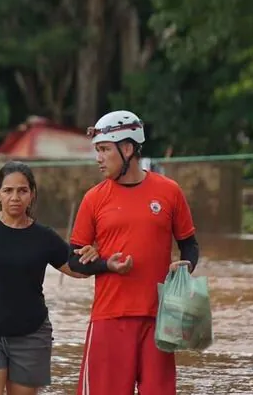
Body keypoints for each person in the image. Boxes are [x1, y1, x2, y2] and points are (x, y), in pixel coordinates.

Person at [67, 110, 200, 395]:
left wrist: (185, 268)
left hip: (160, 320)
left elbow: (189, 244)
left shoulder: (170, 191)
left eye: (104, 150)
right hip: (109, 319)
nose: (98, 159)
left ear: (127, 149)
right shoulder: (93, 198)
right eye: (97, 151)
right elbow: (73, 261)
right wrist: (105, 265)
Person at [0, 160, 99, 395]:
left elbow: (76, 269)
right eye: (8, 190)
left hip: (31, 336)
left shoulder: (44, 237)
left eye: (22, 190)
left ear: (32, 195)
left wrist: (96, 255)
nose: (15, 197)